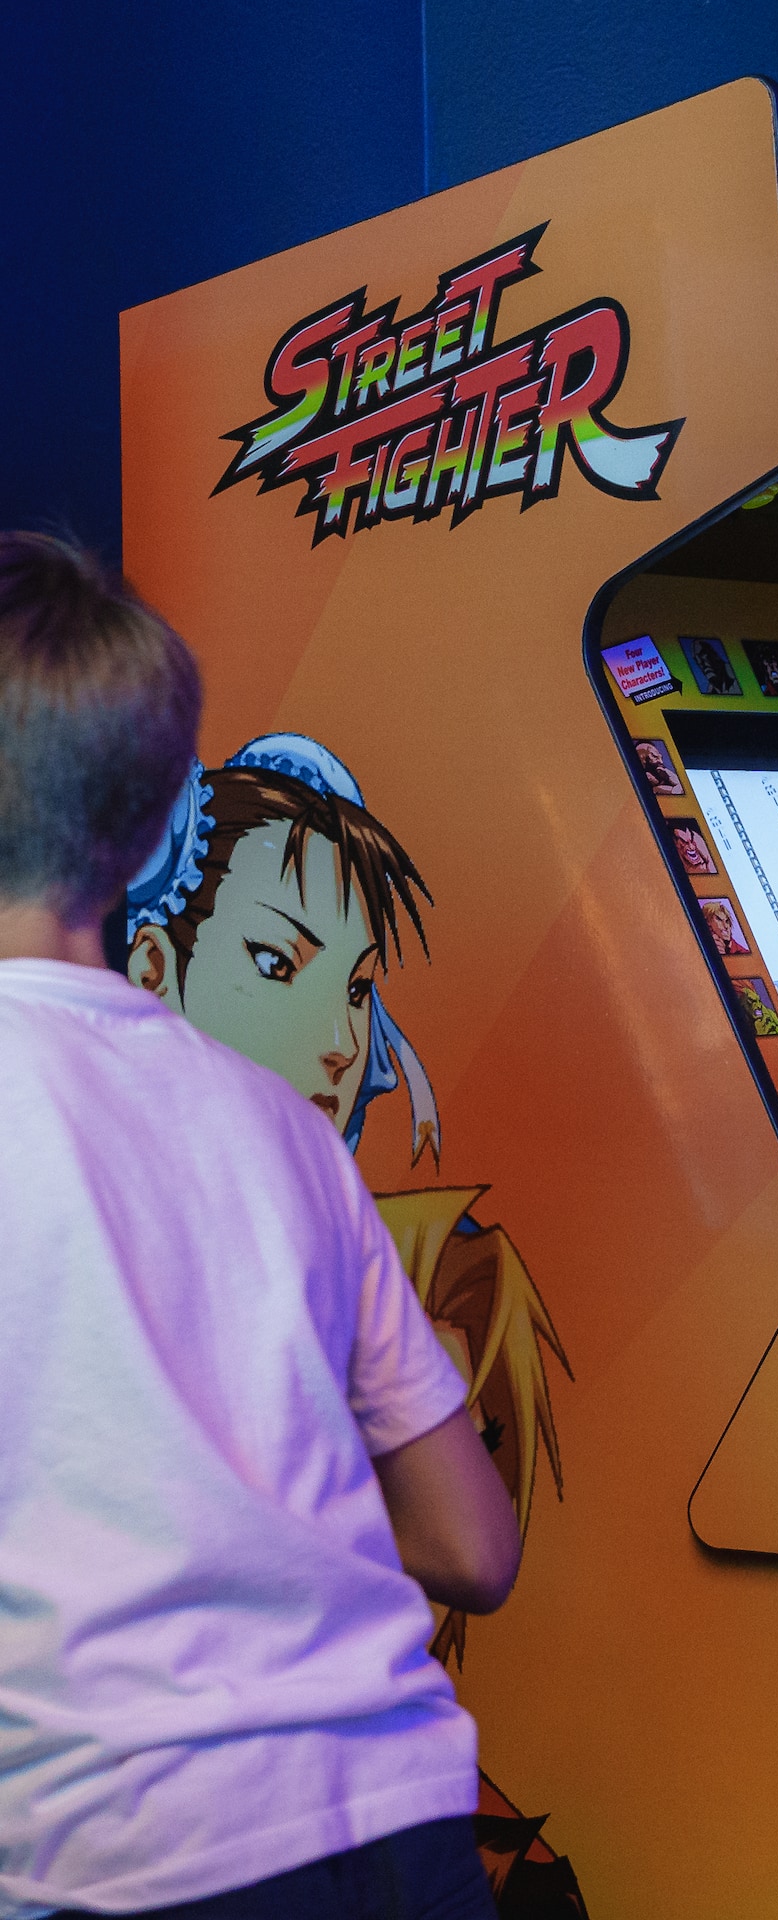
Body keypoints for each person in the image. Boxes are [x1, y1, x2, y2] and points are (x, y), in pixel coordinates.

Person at [0, 533, 518, 1919]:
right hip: (401, 1831)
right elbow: (474, 1545)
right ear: (148, 829)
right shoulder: (281, 1124)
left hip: (128, 1855)